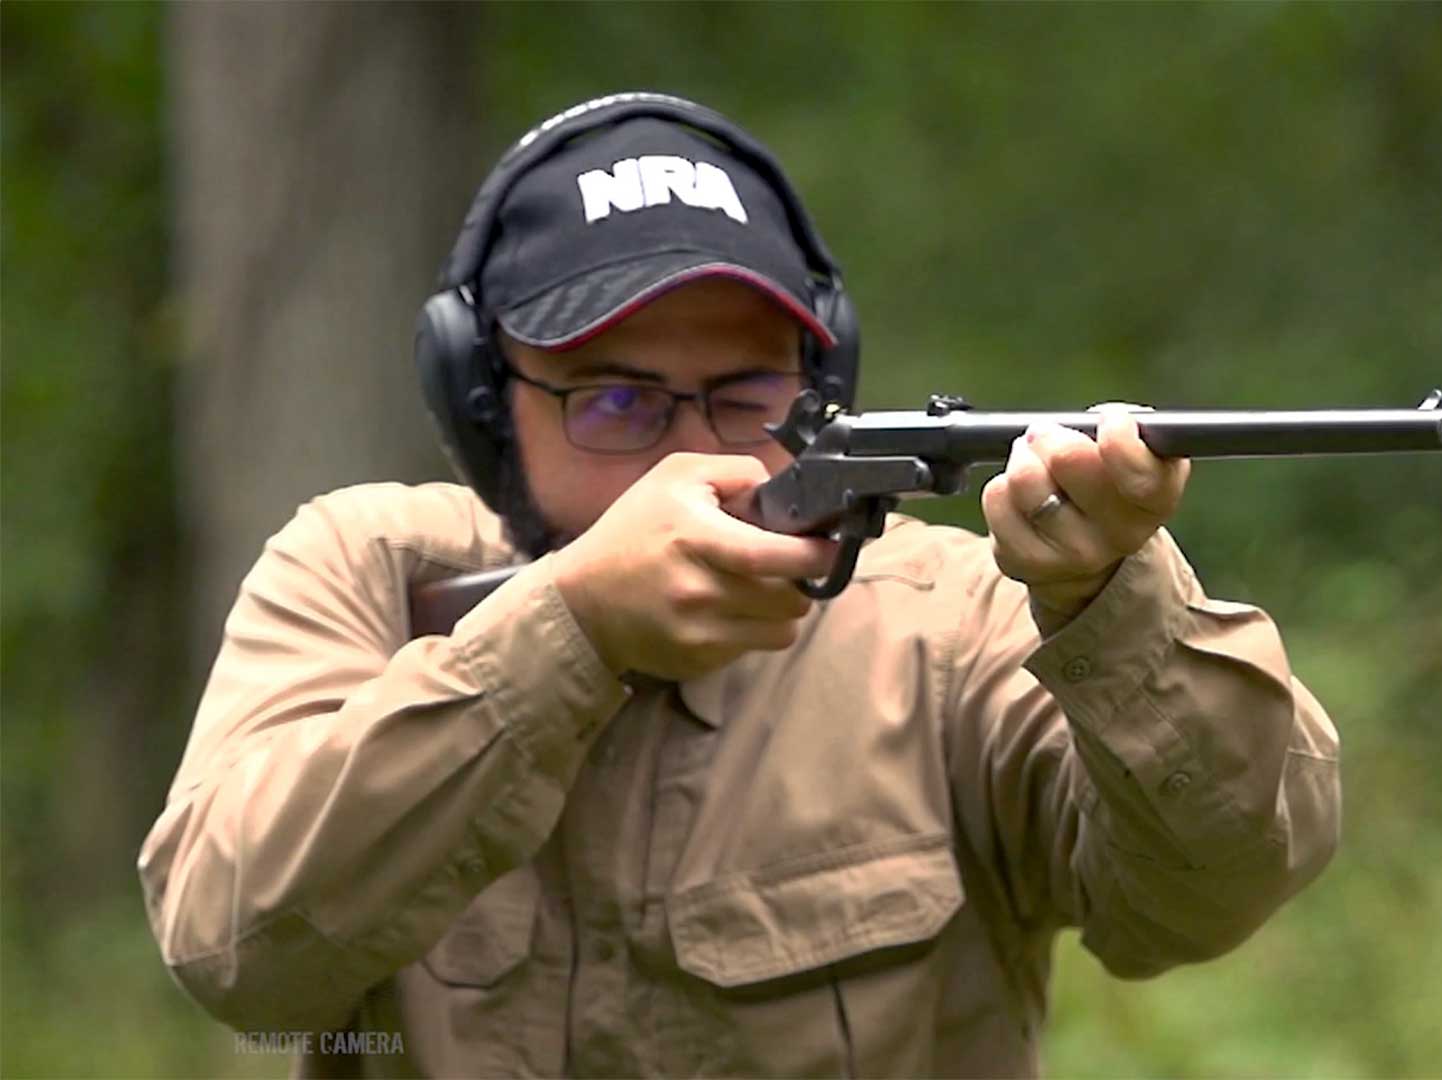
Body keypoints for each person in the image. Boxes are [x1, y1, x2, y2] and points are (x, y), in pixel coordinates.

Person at [138, 92, 1341, 1078]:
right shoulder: (366, 568)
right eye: (616, 400)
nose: (688, 452)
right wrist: (566, 632)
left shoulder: (951, 623)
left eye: (745, 397)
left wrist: (1108, 600)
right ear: (482, 396)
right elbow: (236, 951)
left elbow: (1215, 889)